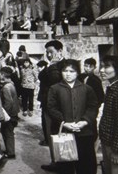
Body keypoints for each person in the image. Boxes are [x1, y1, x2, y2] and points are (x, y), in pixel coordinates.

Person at [48, 59, 98, 174]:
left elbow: (92, 107)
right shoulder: (54, 89)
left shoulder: (86, 89)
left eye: (72, 71)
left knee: (86, 165)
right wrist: (64, 122)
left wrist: (84, 121)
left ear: (77, 72)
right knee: (65, 166)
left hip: (84, 133)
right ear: (61, 72)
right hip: (65, 133)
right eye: (65, 71)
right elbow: (52, 108)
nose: (68, 74)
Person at [99, 55, 118, 174]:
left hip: (116, 148)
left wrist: (117, 151)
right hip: (109, 143)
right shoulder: (113, 87)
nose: (101, 70)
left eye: (106, 67)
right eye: (101, 67)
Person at [41, 40, 65, 171]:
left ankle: (62, 163)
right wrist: (49, 65)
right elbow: (41, 77)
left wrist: (52, 66)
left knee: (60, 135)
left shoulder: (66, 65)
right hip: (47, 105)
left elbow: (54, 80)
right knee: (50, 135)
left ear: (60, 51)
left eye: (51, 52)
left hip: (60, 107)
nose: (48, 55)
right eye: (47, 52)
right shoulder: (50, 65)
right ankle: (54, 162)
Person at [0, 66, 20, 159]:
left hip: (9, 114)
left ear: (3, 74)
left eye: (0, 74)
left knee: (8, 132)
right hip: (13, 112)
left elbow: (9, 102)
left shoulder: (6, 87)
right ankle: (9, 150)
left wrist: (4, 114)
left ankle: (10, 153)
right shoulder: (11, 84)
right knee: (8, 132)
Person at [36, 60, 50, 146]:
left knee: (46, 121)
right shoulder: (46, 73)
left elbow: (40, 77)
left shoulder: (44, 73)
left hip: (46, 100)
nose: (38, 69)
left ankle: (47, 140)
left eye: (39, 67)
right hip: (45, 99)